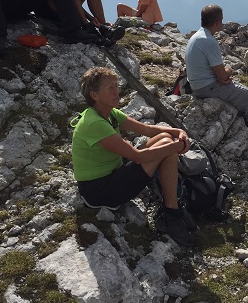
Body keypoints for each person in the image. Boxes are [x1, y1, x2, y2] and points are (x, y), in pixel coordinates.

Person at [71, 67, 195, 246]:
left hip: (112, 174)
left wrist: (177, 131)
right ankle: (172, 214)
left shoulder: (109, 113)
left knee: (165, 138)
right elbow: (137, 157)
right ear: (95, 95)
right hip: (99, 191)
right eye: (110, 88)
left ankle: (171, 208)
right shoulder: (93, 123)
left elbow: (147, 130)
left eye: (116, 85)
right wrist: (177, 145)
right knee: (168, 147)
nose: (117, 91)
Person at [185, 5, 248, 156]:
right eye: (221, 21)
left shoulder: (196, 37)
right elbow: (223, 76)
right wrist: (229, 70)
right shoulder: (209, 40)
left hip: (197, 85)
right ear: (217, 21)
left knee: (242, 94)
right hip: (209, 87)